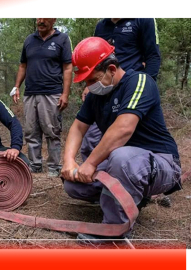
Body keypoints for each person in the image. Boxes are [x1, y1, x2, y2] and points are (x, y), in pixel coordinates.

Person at [61, 37, 182, 242]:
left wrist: (90, 163)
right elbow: (78, 128)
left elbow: (124, 128)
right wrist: (69, 161)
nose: (89, 86)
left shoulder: (140, 82)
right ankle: (126, 198)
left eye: (92, 79)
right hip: (127, 164)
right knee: (74, 185)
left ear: (111, 69)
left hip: (162, 163)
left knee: (120, 157)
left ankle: (114, 230)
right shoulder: (95, 96)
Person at [81, 18, 161, 164]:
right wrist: (89, 85)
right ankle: (93, 178)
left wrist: (146, 87)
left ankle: (142, 175)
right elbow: (94, 60)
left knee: (127, 138)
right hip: (104, 89)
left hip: (132, 89)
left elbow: (152, 56)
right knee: (91, 139)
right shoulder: (101, 25)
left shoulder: (143, 19)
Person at [12, 18, 73, 177]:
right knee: (31, 131)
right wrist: (17, 86)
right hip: (30, 93)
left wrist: (65, 93)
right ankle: (35, 165)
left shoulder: (62, 39)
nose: (41, 21)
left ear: (53, 19)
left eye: (45, 18)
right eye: (38, 17)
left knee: (52, 131)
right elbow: (22, 66)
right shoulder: (29, 40)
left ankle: (54, 166)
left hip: (52, 92)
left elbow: (67, 68)